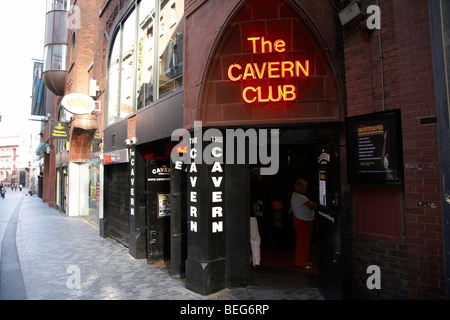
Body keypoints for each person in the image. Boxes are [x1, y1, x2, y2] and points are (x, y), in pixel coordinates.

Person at [290, 178, 317, 269]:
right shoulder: (300, 197)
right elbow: (313, 205)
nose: (306, 189)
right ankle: (301, 262)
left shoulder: (296, 196)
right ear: (299, 187)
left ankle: (304, 260)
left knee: (305, 242)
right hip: (302, 221)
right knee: (302, 242)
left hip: (304, 221)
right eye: (304, 187)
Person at [249, 168, 263, 269]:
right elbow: (255, 200)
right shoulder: (256, 183)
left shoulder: (246, 183)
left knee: (244, 238)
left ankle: (248, 260)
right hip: (251, 215)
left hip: (241, 214)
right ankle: (256, 261)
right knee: (255, 238)